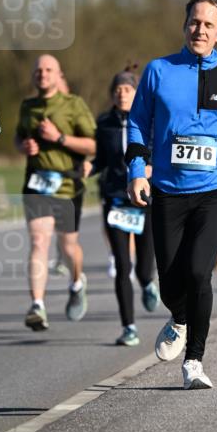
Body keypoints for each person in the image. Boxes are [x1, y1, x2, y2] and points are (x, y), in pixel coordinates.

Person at [126, 0, 217, 390]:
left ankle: (194, 362)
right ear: (185, 26)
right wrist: (136, 170)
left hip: (214, 188)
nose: (199, 29)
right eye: (193, 22)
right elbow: (137, 123)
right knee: (169, 280)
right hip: (166, 188)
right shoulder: (158, 70)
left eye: (208, 24)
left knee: (200, 271)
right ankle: (179, 317)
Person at [15, 55, 96, 330]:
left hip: (67, 185)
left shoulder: (74, 105)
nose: (43, 74)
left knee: (68, 246)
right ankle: (37, 305)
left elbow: (93, 146)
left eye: (48, 70)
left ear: (58, 74)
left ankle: (76, 282)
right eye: (38, 70)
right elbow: (18, 136)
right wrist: (24, 146)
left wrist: (59, 138)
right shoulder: (28, 106)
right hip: (36, 184)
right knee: (39, 241)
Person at [94, 69, 160, 347]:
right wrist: (88, 167)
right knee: (123, 265)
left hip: (145, 199)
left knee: (144, 268)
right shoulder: (104, 123)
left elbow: (162, 153)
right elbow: (101, 158)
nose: (122, 93)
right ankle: (128, 327)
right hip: (115, 200)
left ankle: (147, 283)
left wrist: (150, 168)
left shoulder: (151, 122)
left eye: (128, 89)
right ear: (112, 94)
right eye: (118, 89)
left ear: (136, 94)